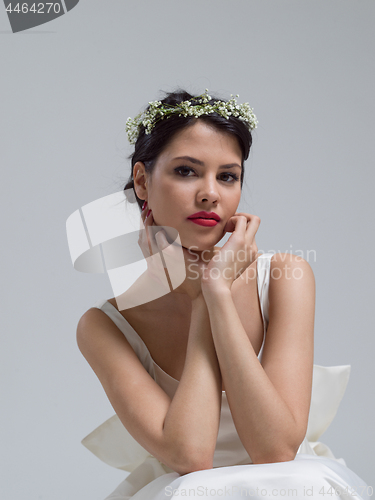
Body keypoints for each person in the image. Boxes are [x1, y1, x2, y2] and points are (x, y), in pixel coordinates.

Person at [76, 90, 370, 499]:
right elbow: (191, 456)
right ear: (142, 182)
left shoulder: (286, 277)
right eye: (186, 171)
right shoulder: (105, 326)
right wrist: (201, 302)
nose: (210, 193)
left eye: (228, 176)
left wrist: (217, 291)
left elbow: (276, 450)